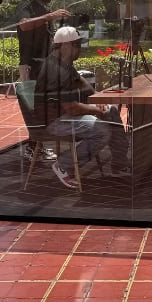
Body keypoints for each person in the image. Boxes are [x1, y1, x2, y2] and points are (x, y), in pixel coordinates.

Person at [35, 26, 130, 190]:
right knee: (102, 130)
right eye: (77, 45)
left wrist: (98, 98)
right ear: (64, 46)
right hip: (54, 121)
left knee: (111, 111)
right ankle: (64, 165)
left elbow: (80, 82)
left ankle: (119, 164)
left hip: (64, 114)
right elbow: (71, 108)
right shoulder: (56, 70)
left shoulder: (63, 63)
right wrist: (96, 110)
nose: (80, 49)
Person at [15, 0, 71, 162]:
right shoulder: (26, 6)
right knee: (34, 109)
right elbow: (23, 26)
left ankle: (38, 145)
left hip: (43, 65)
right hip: (30, 65)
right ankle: (32, 147)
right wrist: (50, 16)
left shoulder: (43, 8)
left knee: (43, 106)